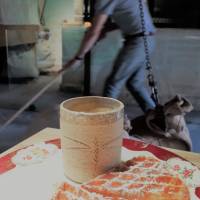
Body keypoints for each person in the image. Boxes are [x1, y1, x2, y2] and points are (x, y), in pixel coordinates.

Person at [64, 0, 156, 113]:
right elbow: (128, 17)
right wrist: (103, 30)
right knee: (134, 84)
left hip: (138, 41)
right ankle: (157, 118)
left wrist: (78, 57)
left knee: (113, 84)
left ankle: (105, 121)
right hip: (146, 39)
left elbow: (94, 32)